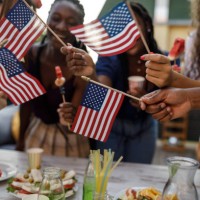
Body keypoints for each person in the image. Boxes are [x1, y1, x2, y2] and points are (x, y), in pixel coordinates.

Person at [60, 2, 162, 163]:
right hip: (113, 126)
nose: (129, 34)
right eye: (123, 28)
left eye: (135, 26)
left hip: (145, 126)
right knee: (108, 176)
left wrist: (154, 101)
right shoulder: (109, 57)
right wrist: (91, 72)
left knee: (139, 178)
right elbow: (103, 84)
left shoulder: (161, 59)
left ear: (147, 26)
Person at [16, 0, 91, 157]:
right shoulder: (32, 55)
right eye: (56, 18)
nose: (61, 27)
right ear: (47, 18)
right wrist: (20, 141)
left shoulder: (82, 66)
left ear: (79, 29)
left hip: (70, 145)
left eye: (71, 23)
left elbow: (71, 126)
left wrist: (70, 115)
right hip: (35, 136)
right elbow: (26, 105)